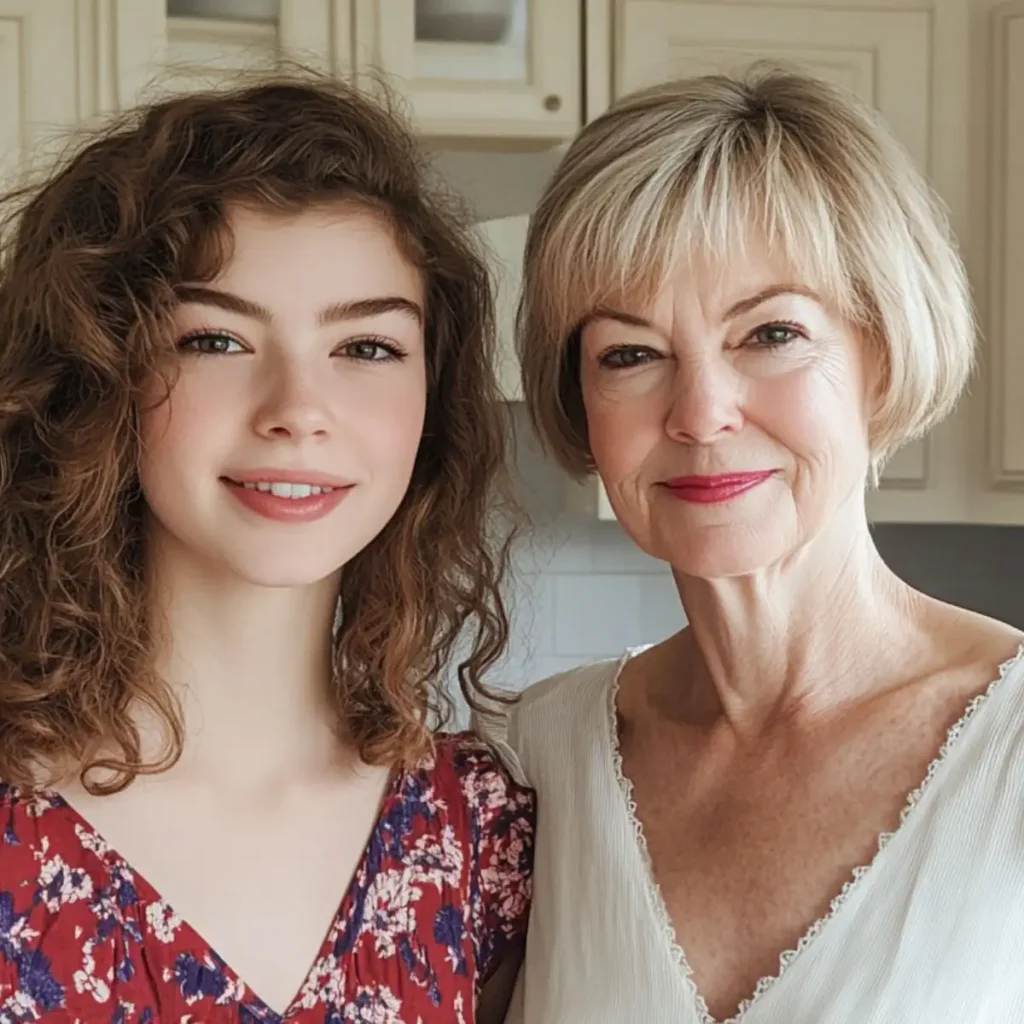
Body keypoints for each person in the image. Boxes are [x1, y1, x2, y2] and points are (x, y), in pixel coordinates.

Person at [477, 65, 1024, 1023]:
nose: (699, 413)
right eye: (631, 355)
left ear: (880, 358)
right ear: (581, 406)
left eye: (770, 333)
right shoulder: (530, 763)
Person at [0, 72, 533, 1023]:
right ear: (99, 376)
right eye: (214, 340)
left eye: (367, 347)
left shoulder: (479, 834)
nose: (297, 411)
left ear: (433, 405)